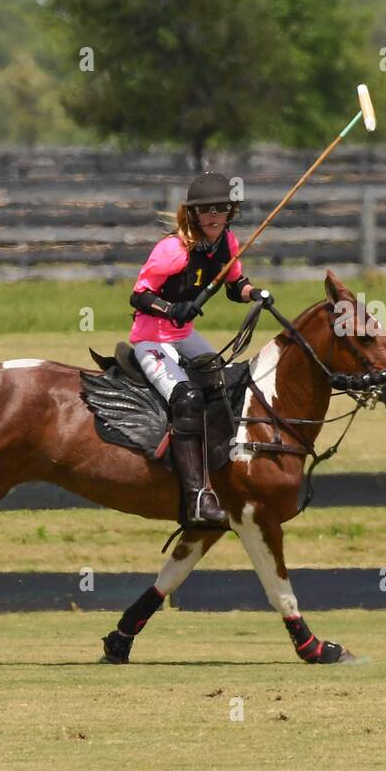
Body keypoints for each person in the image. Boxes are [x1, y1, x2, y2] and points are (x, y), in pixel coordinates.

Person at [128, 172, 261, 526]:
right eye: (206, 210)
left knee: (220, 378)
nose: (214, 215)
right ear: (193, 214)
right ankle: (197, 498)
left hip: (183, 334)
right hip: (152, 337)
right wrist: (172, 309)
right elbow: (138, 295)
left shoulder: (228, 244)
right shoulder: (173, 250)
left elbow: (236, 285)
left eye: (221, 208)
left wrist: (255, 294)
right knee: (186, 396)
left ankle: (221, 464)